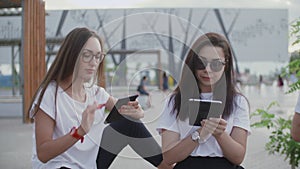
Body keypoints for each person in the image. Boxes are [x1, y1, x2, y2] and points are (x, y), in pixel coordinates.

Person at [29, 27, 170, 169]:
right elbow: (43, 154)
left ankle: (166, 166)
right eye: (86, 55)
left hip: (91, 164)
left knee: (129, 121)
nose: (94, 62)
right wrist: (79, 132)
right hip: (59, 165)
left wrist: (138, 112)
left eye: (98, 56)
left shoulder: (96, 93)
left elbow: (127, 112)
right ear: (72, 55)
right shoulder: (50, 94)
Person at [157, 32, 251, 169]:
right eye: (201, 63)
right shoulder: (175, 101)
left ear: (226, 65)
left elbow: (238, 157)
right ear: (192, 63)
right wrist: (199, 134)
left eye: (216, 64)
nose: (207, 70)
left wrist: (219, 134)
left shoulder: (237, 102)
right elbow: (169, 157)